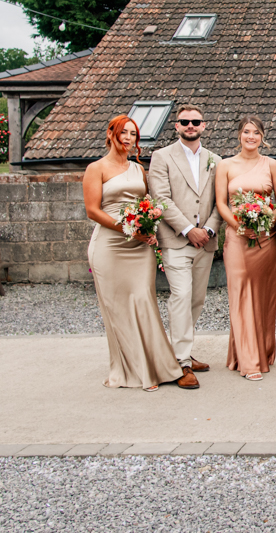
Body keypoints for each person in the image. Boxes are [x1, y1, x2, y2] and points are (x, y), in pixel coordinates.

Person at [83, 115, 186, 392]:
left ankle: (160, 366)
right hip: (110, 246)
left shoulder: (139, 170)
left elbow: (146, 204)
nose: (128, 139)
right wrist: (126, 229)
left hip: (140, 246)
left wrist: (149, 227)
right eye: (123, 133)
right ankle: (133, 371)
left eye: (133, 135)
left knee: (144, 300)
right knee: (116, 309)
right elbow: (93, 210)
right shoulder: (96, 168)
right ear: (110, 134)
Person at [148, 104, 222, 389]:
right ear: (176, 126)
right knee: (180, 296)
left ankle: (184, 351)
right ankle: (180, 364)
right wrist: (189, 230)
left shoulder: (215, 159)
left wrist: (208, 229)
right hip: (176, 241)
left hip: (206, 241)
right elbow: (161, 198)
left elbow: (220, 200)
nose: (190, 126)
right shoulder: (161, 157)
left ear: (204, 125)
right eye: (184, 122)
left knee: (196, 300)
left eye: (195, 122)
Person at [215, 116, 276, 381]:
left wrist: (267, 222)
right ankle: (248, 360)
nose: (251, 136)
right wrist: (239, 226)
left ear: (262, 137)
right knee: (241, 293)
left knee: (264, 296)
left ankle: (261, 350)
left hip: (267, 240)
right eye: (246, 132)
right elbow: (221, 202)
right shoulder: (225, 165)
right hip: (237, 237)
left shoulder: (272, 165)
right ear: (239, 135)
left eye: (256, 132)